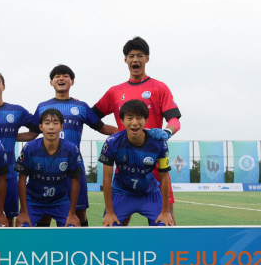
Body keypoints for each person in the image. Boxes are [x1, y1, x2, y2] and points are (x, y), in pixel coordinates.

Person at [93, 37, 181, 224]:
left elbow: (174, 118)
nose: (136, 59)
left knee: (168, 221)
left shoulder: (159, 87)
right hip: (126, 165)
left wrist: (167, 132)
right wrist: (116, 132)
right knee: (118, 224)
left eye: (140, 56)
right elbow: (92, 117)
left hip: (155, 164)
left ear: (147, 58)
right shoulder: (115, 91)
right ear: (125, 60)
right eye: (131, 56)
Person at [21, 65, 117, 226]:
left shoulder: (81, 106)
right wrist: (6, 137)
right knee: (44, 214)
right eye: (57, 76)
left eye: (65, 75)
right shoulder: (42, 106)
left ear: (72, 82)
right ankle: (46, 249)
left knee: (79, 213)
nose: (61, 78)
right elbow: (32, 134)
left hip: (73, 168)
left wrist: (126, 132)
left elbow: (103, 128)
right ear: (51, 82)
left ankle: (79, 247)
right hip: (46, 168)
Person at [99, 100, 174, 227]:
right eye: (129, 118)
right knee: (110, 227)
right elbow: (106, 178)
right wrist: (110, 212)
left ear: (146, 120)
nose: (134, 123)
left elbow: (164, 177)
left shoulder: (159, 143)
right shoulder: (112, 142)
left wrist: (166, 211)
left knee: (164, 226)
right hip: (121, 192)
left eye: (139, 118)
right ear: (122, 120)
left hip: (149, 193)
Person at [0, 71, 37, 226]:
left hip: (9, 174)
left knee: (9, 219)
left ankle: (7, 249)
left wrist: (13, 136)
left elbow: (35, 131)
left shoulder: (16, 111)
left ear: (3, 86)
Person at [14, 109, 83, 228]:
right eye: (47, 123)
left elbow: (75, 181)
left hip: (60, 201)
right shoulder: (29, 148)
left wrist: (72, 213)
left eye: (55, 123)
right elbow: (21, 180)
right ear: (40, 127)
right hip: (33, 201)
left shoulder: (71, 149)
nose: (51, 127)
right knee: (22, 230)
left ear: (61, 126)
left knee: (73, 231)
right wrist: (24, 212)